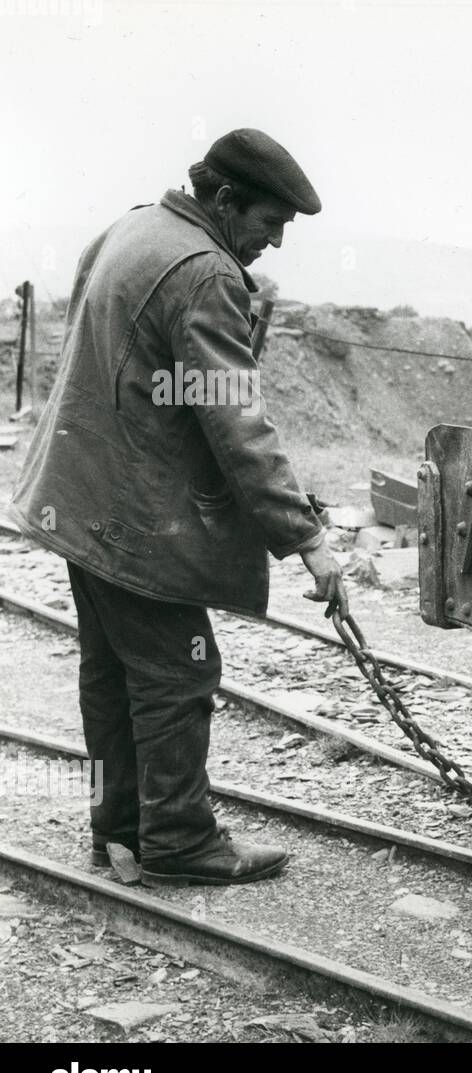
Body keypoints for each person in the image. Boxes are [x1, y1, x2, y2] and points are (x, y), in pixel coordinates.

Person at [9, 128, 348, 887]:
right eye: (269, 222)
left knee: (111, 672)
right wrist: (309, 540)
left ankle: (121, 830)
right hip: (130, 513)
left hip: (77, 498)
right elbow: (236, 423)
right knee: (177, 674)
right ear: (226, 200)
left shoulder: (134, 227)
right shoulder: (205, 273)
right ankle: (180, 843)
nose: (275, 242)